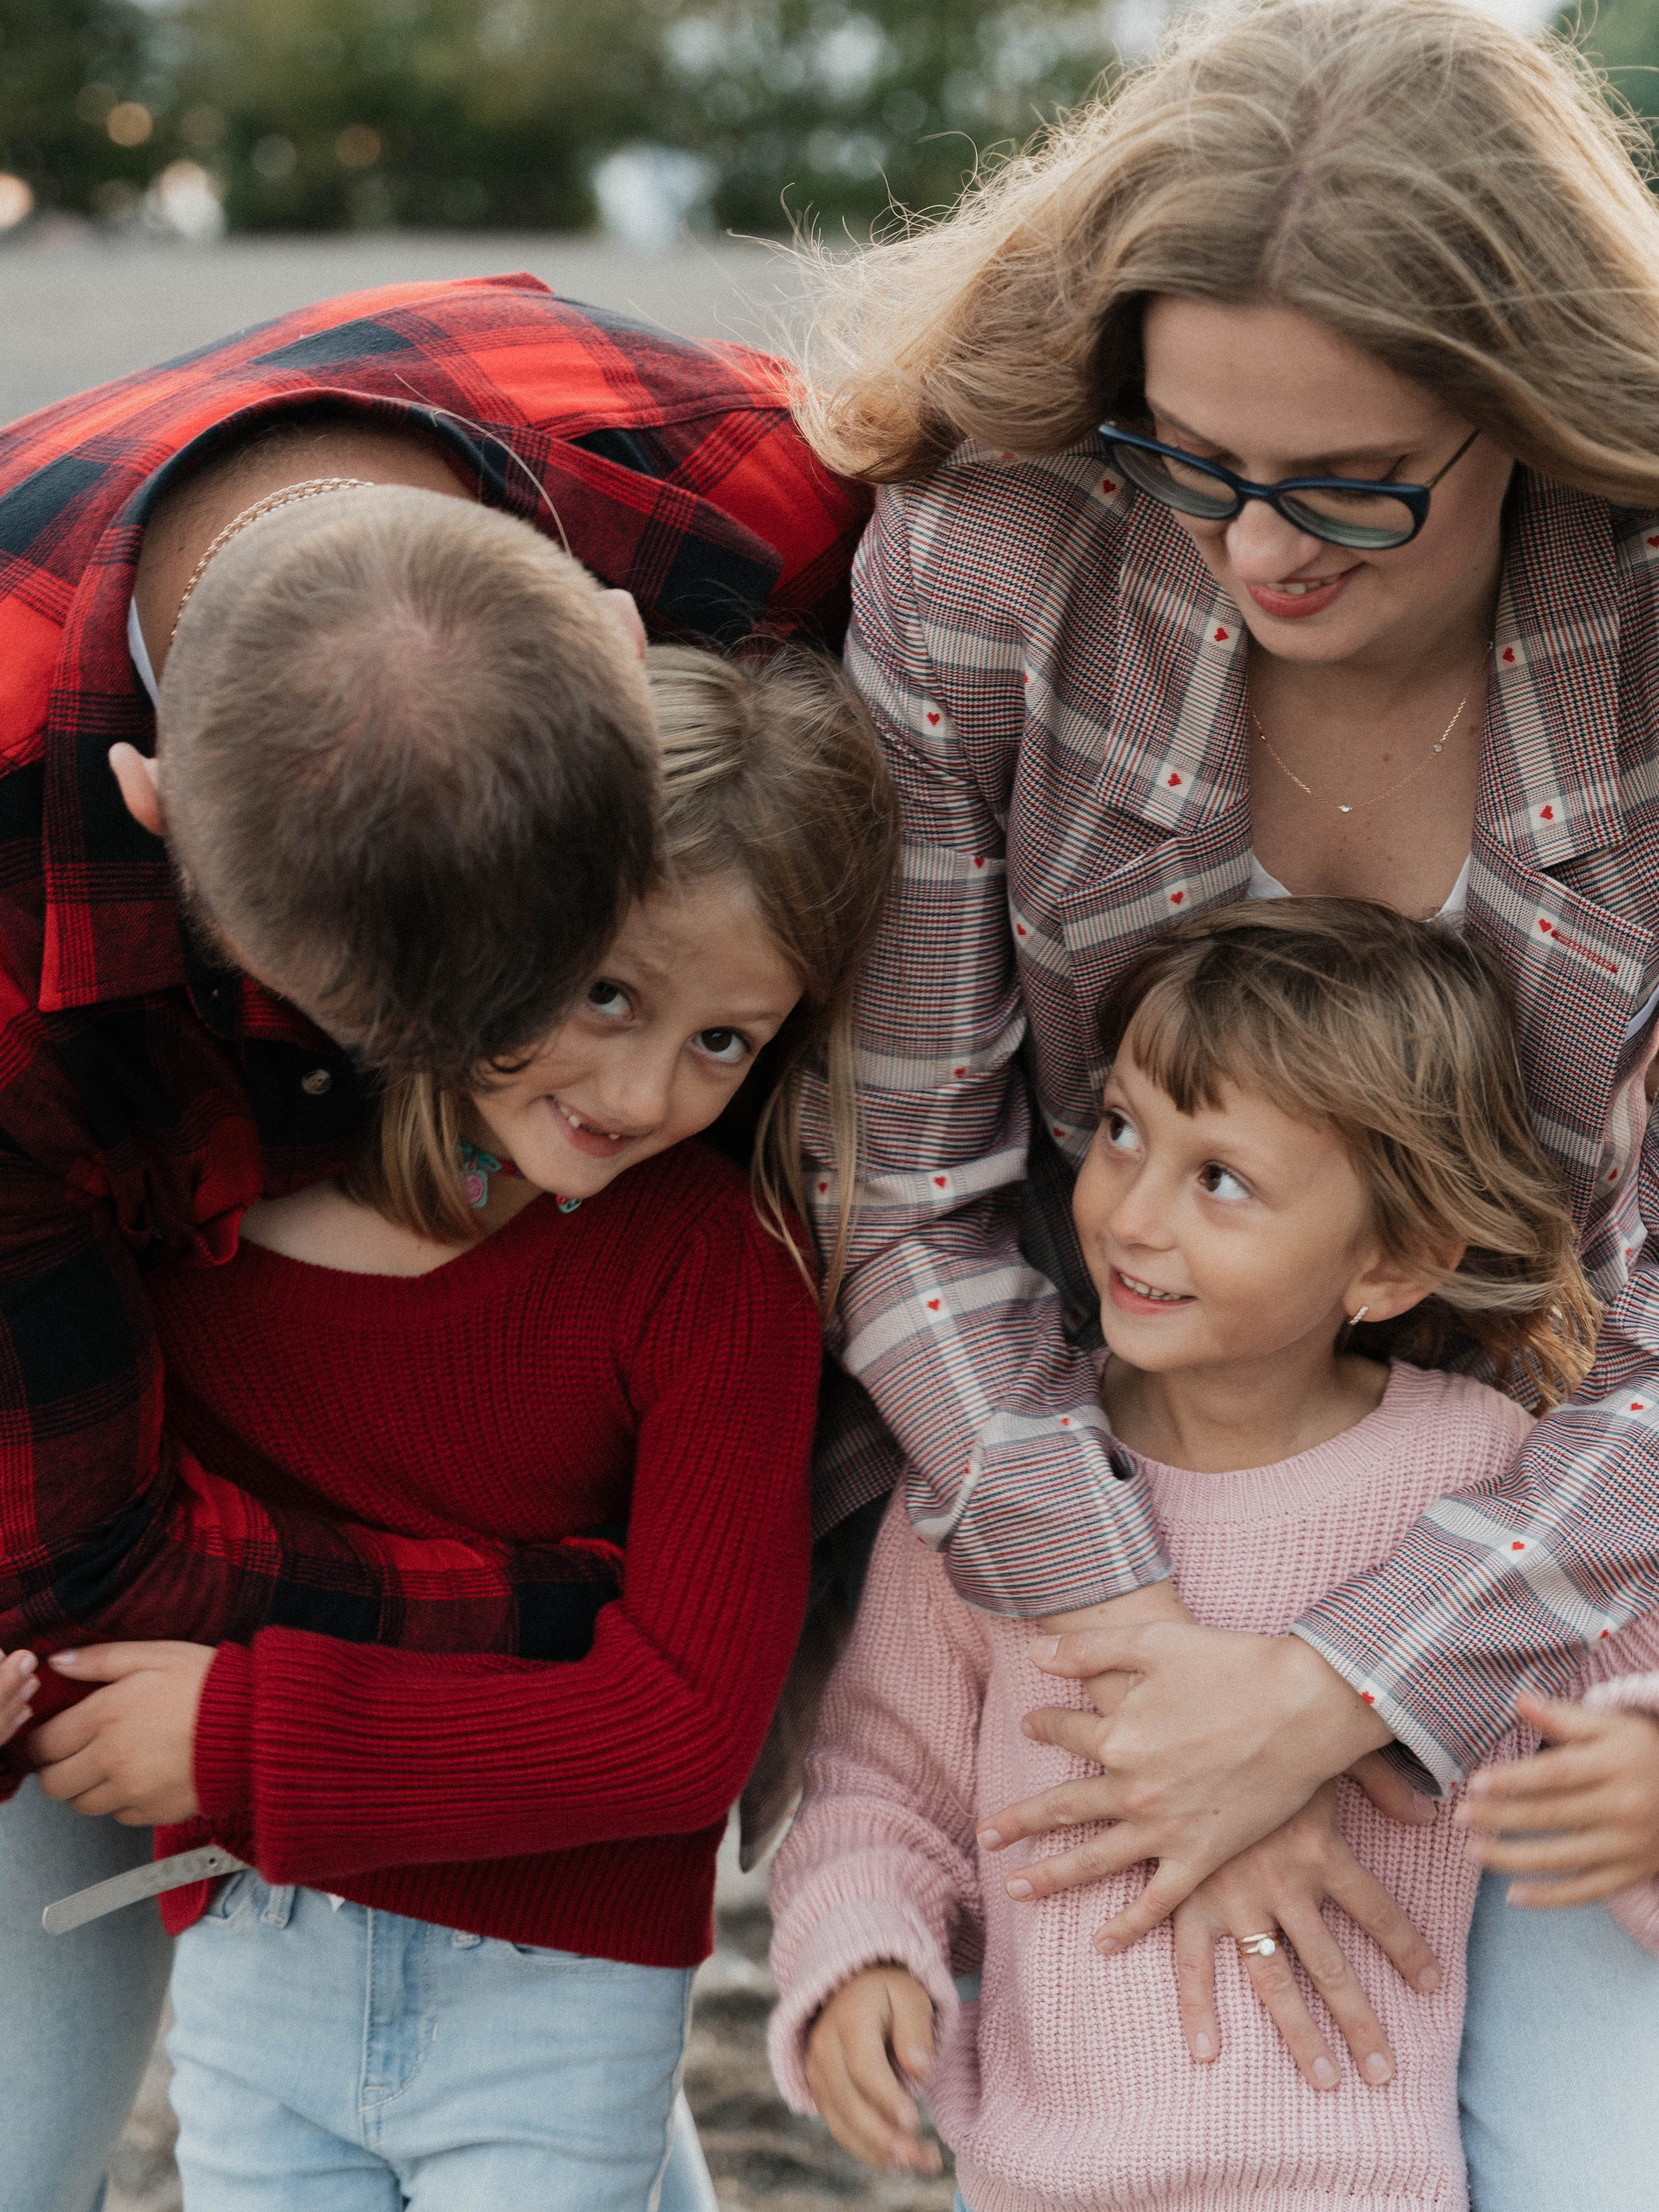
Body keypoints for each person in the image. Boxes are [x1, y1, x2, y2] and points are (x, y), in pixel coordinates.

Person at [789, 1, 1659, 2196]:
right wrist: (1152, 1669)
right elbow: (917, 1190)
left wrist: (1341, 1692)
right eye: (1194, 459)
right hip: (1107, 1496)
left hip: (1582, 1555)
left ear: (1536, 418)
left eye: (1356, 483)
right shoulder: (994, 565)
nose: (1262, 550)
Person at [0, 276, 868, 2212]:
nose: (606, 1101)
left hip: (504, 1922)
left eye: (556, 981)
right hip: (250, 1842)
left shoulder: (773, 496)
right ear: (148, 808)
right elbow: (84, 1558)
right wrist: (581, 1613)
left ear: (626, 660)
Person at [771, 902, 1659, 2211]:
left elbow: (1614, 1726)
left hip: (1353, 2189)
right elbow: (877, 1784)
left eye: (1219, 1180)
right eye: (1122, 1129)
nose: (1129, 1214)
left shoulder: (1475, 1476)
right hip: (1034, 2187)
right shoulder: (1000, 1474)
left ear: (1391, 1260)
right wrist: (860, 1956)